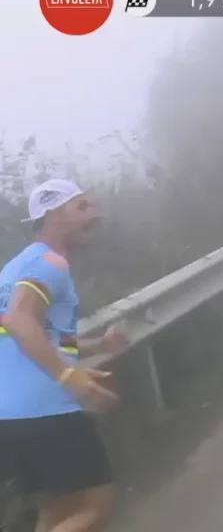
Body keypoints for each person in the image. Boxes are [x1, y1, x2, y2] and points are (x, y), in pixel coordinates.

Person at [0, 179, 128, 532]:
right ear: (55, 214)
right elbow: (20, 320)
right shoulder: (51, 263)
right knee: (98, 504)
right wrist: (71, 379)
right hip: (47, 407)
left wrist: (98, 345)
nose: (95, 215)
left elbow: (32, 336)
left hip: (10, 413)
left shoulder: (13, 269)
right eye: (83, 207)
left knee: (56, 510)